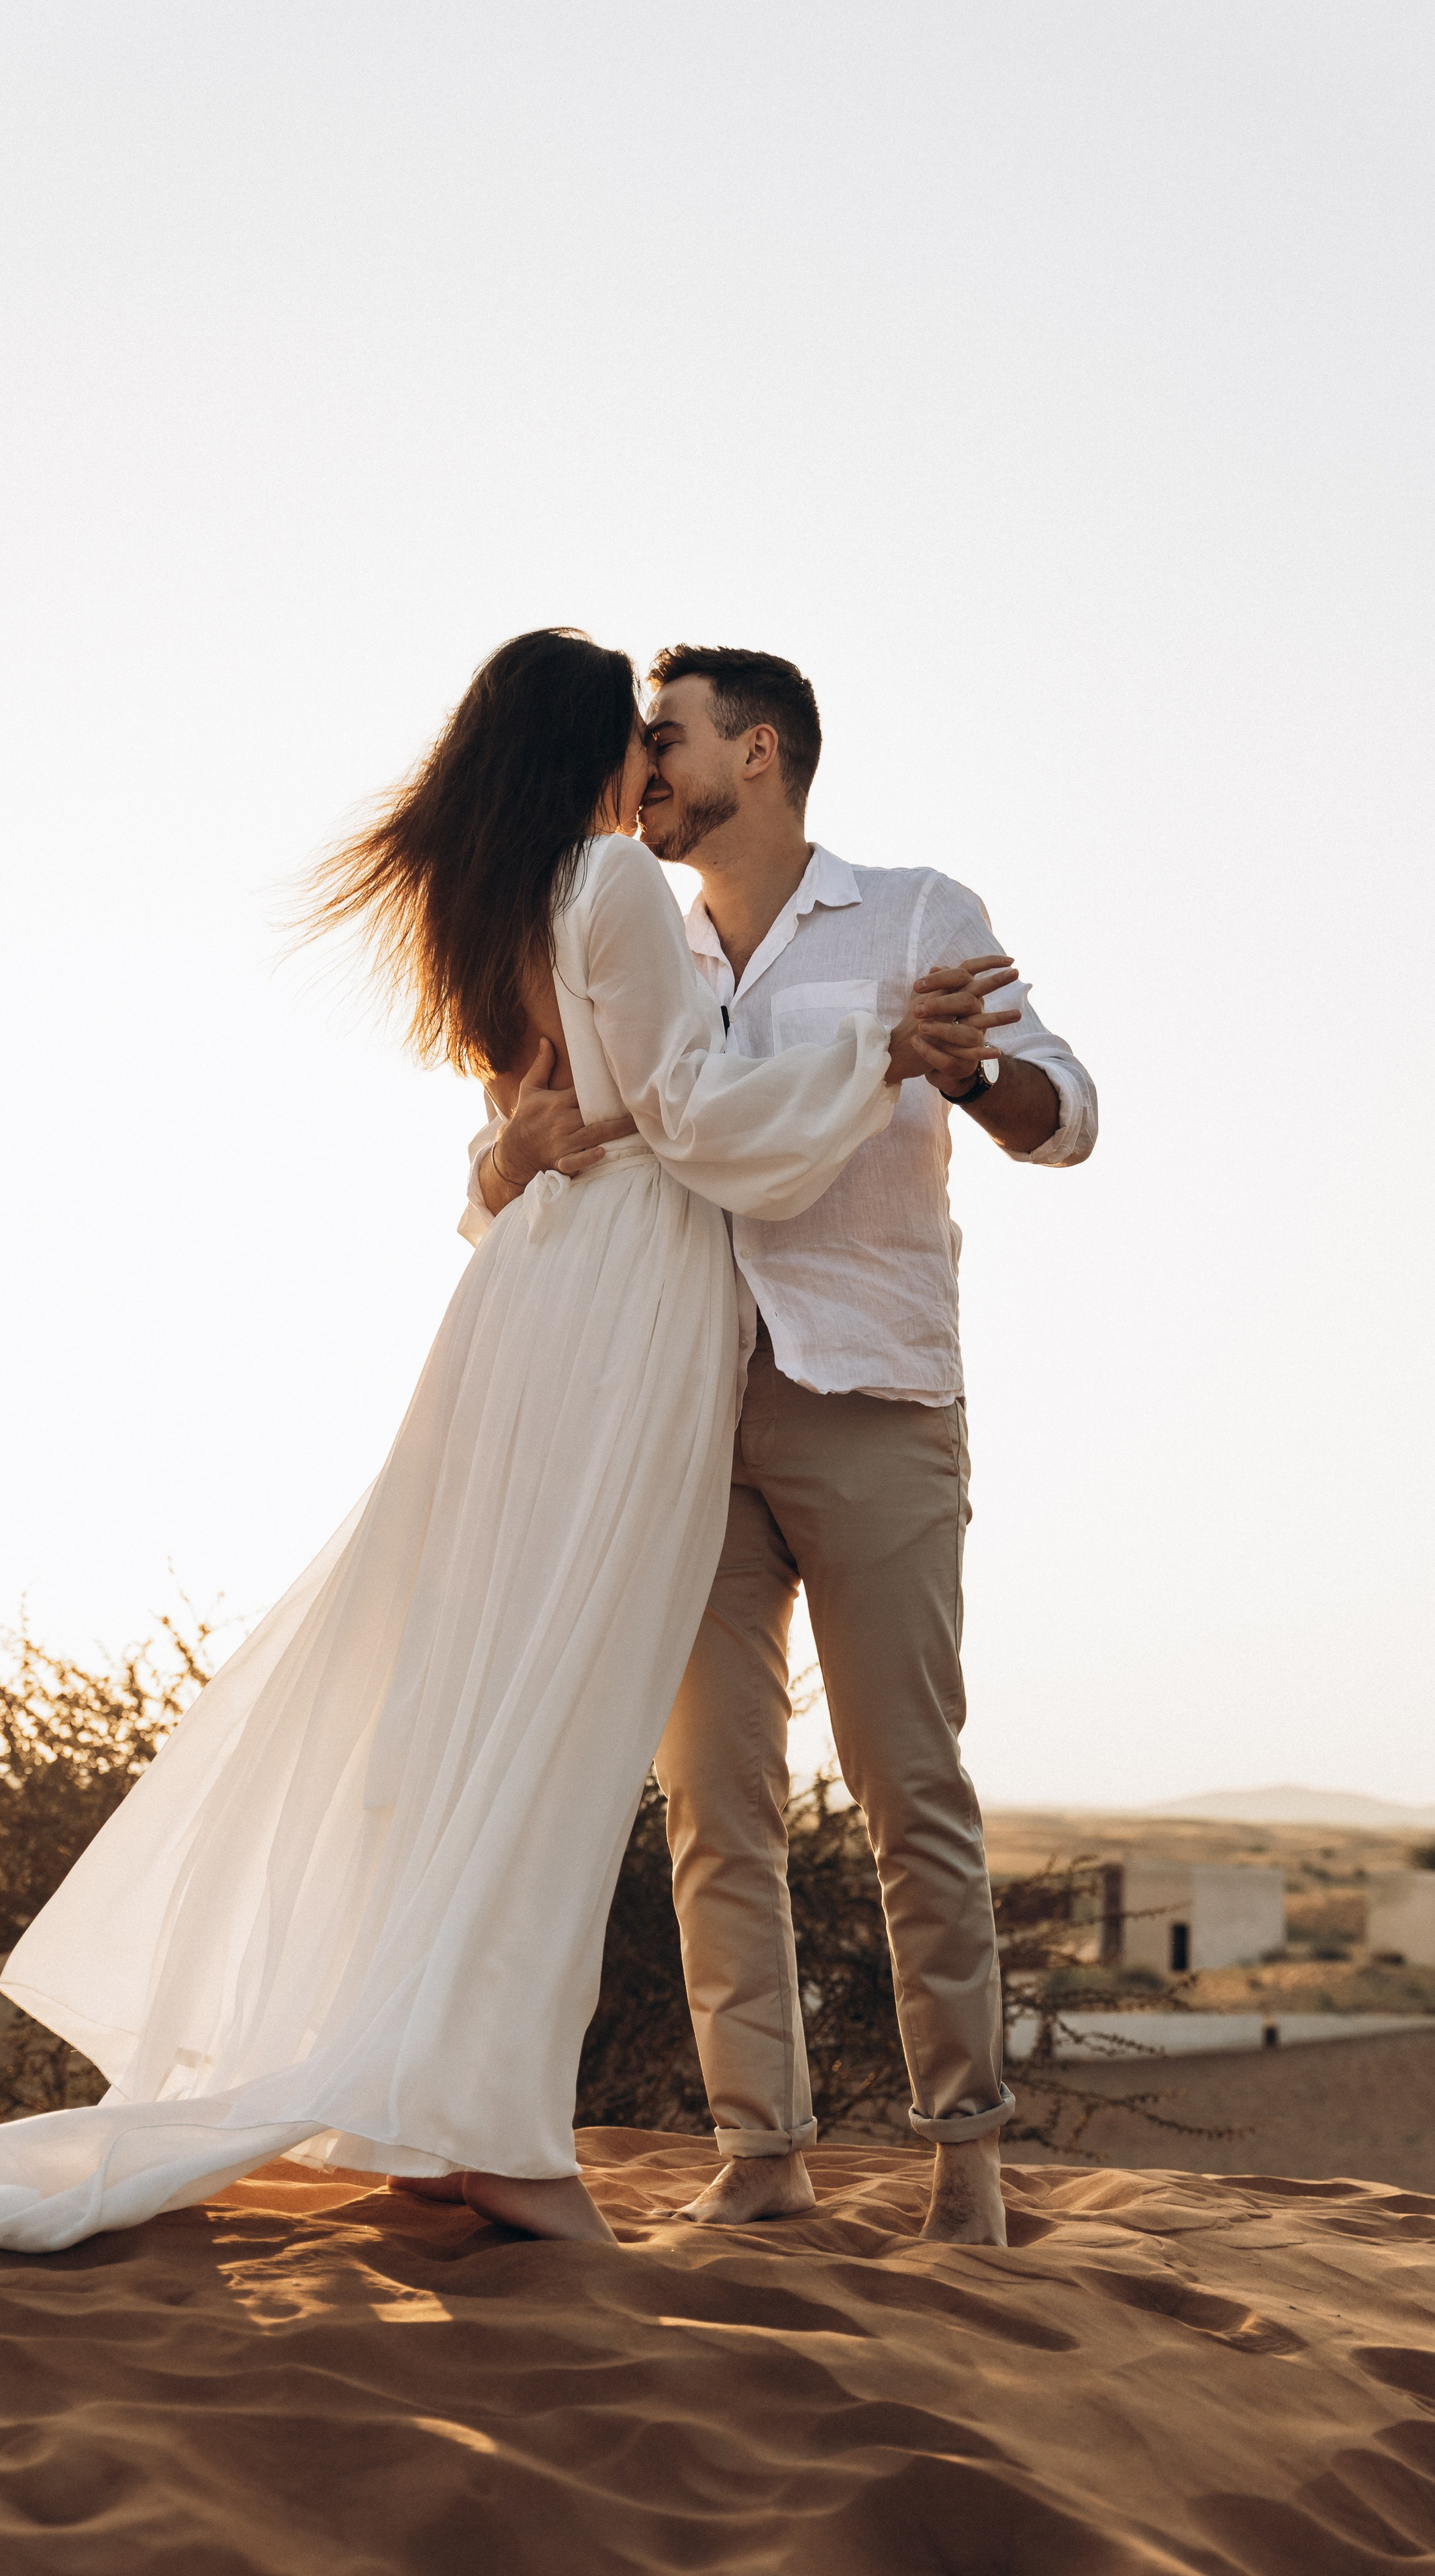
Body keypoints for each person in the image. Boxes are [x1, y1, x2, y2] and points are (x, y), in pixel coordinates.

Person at [0, 630, 989, 2255]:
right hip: (621, 1309)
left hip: (539, 1307)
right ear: (590, 752)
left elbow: (557, 1128)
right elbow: (706, 1130)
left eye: (675, 738)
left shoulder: (517, 901)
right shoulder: (617, 892)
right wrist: (873, 1058)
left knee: (485, 1698)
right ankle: (493, 2132)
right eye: (634, 738)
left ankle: (441, 2110)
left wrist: (566, 1135)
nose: (653, 764)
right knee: (557, 1726)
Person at [473, 645, 1096, 2244]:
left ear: (757, 753)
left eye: (665, 739)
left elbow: (1069, 1109)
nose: (643, 765)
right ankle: (763, 2157)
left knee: (911, 1789)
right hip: (677, 1408)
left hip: (873, 1397)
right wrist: (500, 1156)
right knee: (712, 1801)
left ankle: (966, 2161)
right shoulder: (628, 929)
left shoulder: (911, 914)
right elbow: (528, 1148)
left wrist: (970, 1073)